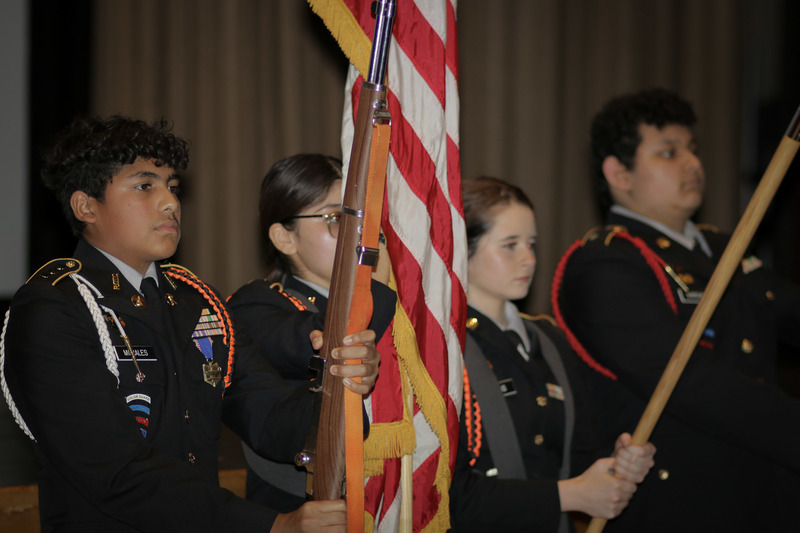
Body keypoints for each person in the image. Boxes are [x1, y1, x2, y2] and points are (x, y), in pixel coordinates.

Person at [0, 116, 380, 532]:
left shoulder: (197, 301)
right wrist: (271, 525)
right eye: (145, 186)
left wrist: (337, 381)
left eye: (173, 186)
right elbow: (114, 471)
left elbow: (270, 418)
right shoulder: (54, 307)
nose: (170, 202)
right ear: (86, 206)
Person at [553, 88, 800, 532]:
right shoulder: (605, 261)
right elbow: (691, 381)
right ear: (619, 173)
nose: (692, 163)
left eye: (693, 148)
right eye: (669, 152)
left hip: (766, 493)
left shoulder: (724, 247)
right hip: (684, 505)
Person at [448, 177, 655, 533]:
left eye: (531, 244)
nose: (529, 259)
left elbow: (579, 454)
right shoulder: (446, 347)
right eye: (510, 245)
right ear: (463, 249)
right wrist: (568, 496)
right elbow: (449, 497)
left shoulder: (548, 340)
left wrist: (617, 462)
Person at [226, 153, 396, 511]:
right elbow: (330, 341)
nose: (359, 233)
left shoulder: (398, 308)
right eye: (336, 218)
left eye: (364, 219)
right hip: (300, 511)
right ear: (284, 238)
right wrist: (375, 286)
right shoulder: (254, 306)